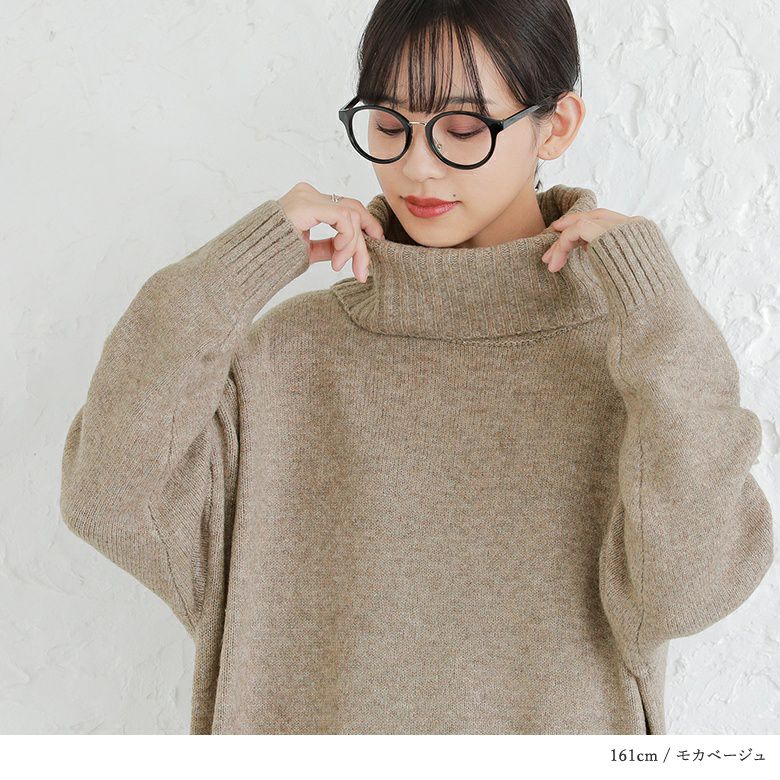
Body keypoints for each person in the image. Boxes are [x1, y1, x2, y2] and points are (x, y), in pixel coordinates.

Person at [59, 0, 774, 735]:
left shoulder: (633, 360)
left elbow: (688, 591)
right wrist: (241, 266)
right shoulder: (288, 357)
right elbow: (111, 498)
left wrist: (659, 310)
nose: (416, 166)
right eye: (389, 124)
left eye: (463, 128)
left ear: (556, 126)